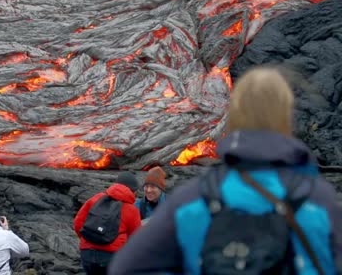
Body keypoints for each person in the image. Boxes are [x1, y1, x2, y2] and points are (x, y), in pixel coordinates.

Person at [109, 67, 342, 275]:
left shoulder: (193, 199)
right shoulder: (317, 200)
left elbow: (126, 268)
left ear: (233, 116)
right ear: (286, 118)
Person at [74, 172, 142, 274]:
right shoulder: (132, 210)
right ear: (133, 190)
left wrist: (88, 239)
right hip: (111, 257)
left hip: (87, 253)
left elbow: (78, 223)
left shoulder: (96, 198)